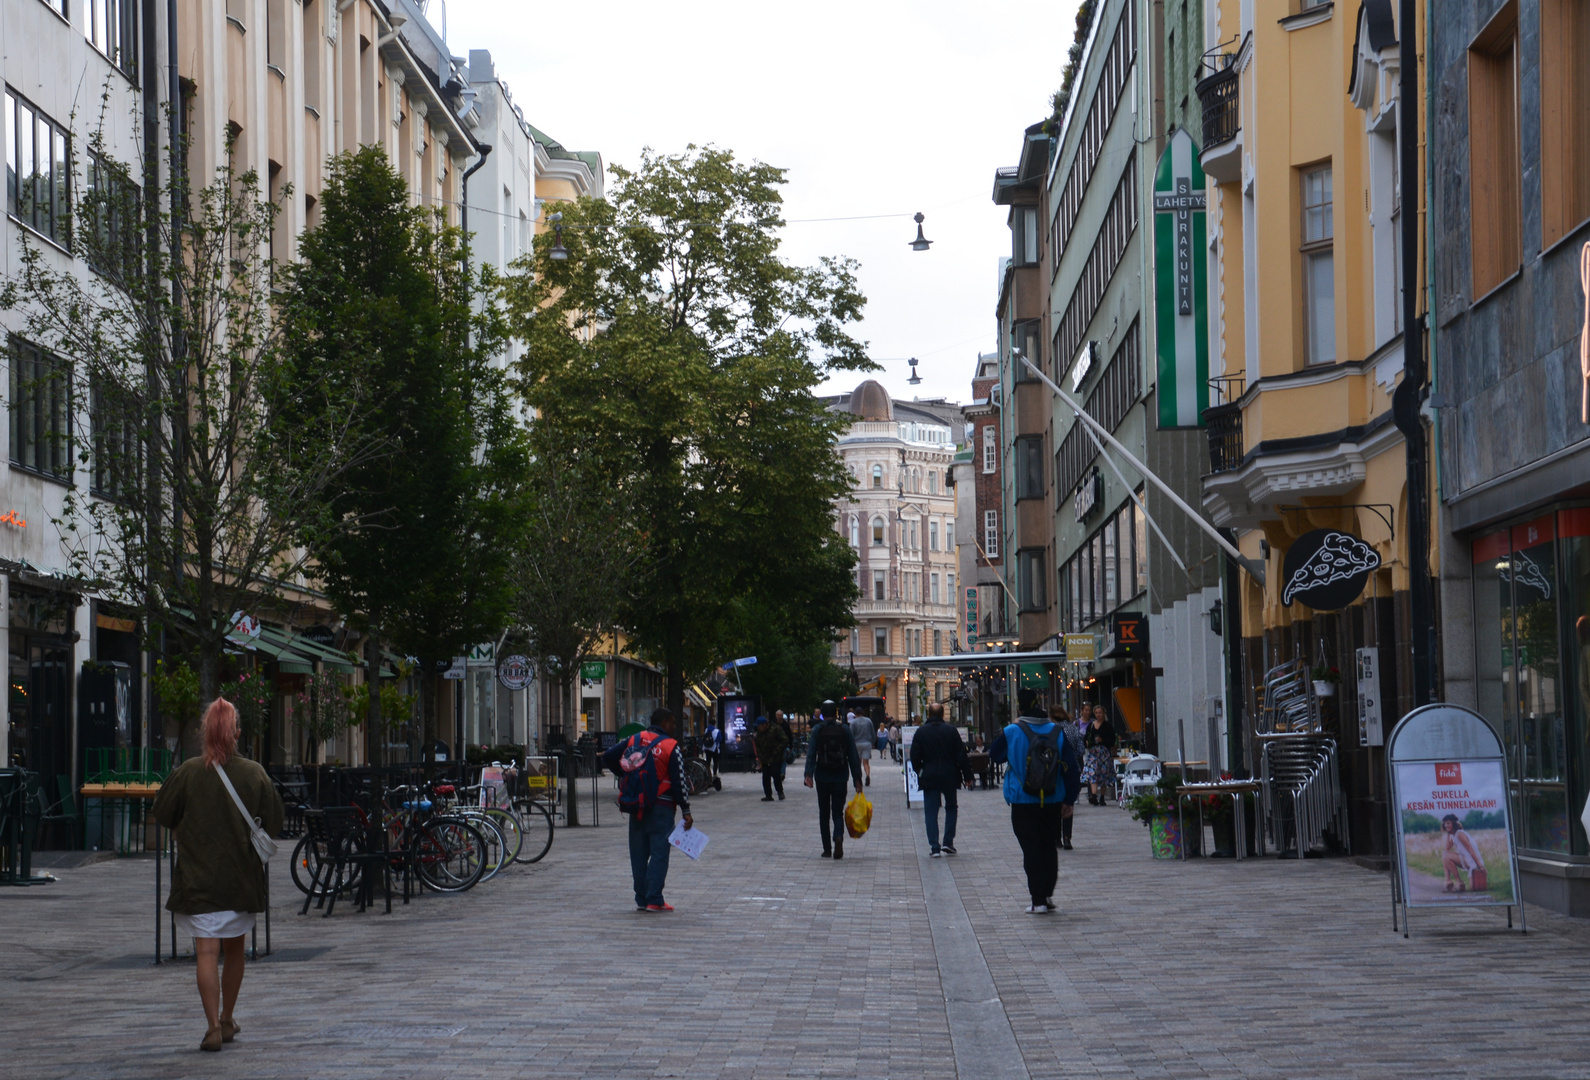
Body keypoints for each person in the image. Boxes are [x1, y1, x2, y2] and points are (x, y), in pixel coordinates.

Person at [152, 698, 284, 1052]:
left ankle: (211, 1026)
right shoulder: (254, 773)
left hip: (198, 879)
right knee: (235, 950)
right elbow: (277, 820)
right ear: (236, 733)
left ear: (204, 733)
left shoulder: (188, 772)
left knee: (206, 953)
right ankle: (227, 1017)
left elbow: (162, 812)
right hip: (240, 879)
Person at [991, 692, 1079, 913]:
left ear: (1020, 709)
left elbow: (995, 755)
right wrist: (1069, 800)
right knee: (1049, 846)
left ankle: (1037, 899)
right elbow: (1072, 769)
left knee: (1031, 848)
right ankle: (1047, 894)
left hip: (1023, 800)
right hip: (1053, 798)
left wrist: (1013, 729)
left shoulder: (1013, 732)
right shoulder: (1057, 732)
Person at [602, 707, 693, 912]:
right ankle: (655, 898)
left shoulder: (635, 739)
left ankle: (642, 899)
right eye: (672, 722)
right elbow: (679, 781)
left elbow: (609, 757)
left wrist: (625, 775)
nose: (674, 727)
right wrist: (686, 810)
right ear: (665, 722)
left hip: (636, 805)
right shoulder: (671, 746)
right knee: (660, 852)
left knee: (639, 853)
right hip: (662, 806)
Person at [909, 702, 972, 856]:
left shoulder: (921, 732)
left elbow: (914, 756)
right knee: (951, 807)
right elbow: (961, 755)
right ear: (943, 714)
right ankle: (948, 842)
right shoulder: (951, 731)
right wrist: (967, 776)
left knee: (931, 811)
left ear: (928, 715)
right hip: (950, 774)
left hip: (929, 775)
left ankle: (934, 847)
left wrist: (921, 771)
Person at [804, 704, 864, 858]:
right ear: (836, 713)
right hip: (840, 775)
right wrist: (857, 779)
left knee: (823, 813)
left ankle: (827, 849)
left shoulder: (817, 730)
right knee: (837, 812)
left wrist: (808, 774)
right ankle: (838, 835)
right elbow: (852, 755)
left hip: (822, 776)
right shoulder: (844, 729)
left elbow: (811, 753)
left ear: (823, 714)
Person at [1052, 705, 1083, 850]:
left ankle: (1056, 837)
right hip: (1072, 767)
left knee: (1057, 802)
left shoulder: (1051, 730)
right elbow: (1081, 749)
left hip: (1055, 768)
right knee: (1068, 802)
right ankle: (1067, 838)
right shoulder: (1073, 728)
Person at [1081, 704, 1118, 805]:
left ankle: (1102, 796)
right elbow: (1086, 738)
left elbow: (1112, 740)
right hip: (1093, 752)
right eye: (1096, 713)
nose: (1098, 715)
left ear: (1103, 713)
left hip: (1104, 752)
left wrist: (1103, 740)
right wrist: (1087, 742)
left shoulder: (1108, 726)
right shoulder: (1091, 725)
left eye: (1100, 713)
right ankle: (1093, 795)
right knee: (1092, 771)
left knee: (1103, 773)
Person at [1440, 813, 1485, 893]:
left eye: (1448, 823)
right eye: (1445, 824)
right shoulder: (1454, 835)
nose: (1446, 825)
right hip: (1467, 860)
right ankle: (1449, 881)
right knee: (1445, 856)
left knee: (1445, 855)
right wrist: (1448, 833)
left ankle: (1457, 882)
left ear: (1453, 823)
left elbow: (1471, 850)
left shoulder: (1459, 834)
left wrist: (1480, 866)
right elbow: (1447, 848)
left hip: (1472, 861)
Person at [754, 713, 789, 801]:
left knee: (775, 774)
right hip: (765, 758)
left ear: (764, 725)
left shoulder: (776, 729)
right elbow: (757, 745)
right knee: (765, 777)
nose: (758, 728)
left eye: (759, 726)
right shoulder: (759, 733)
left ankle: (780, 792)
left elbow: (784, 740)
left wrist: (777, 750)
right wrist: (759, 756)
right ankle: (768, 795)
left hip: (776, 757)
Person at [850, 708, 876, 786]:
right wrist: (873, 743)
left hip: (856, 743)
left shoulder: (853, 722)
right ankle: (867, 775)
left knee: (858, 762)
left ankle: (859, 778)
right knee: (866, 762)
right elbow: (872, 733)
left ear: (855, 714)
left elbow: (851, 734)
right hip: (867, 743)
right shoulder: (868, 721)